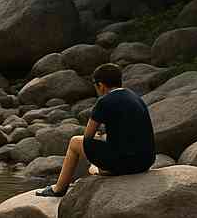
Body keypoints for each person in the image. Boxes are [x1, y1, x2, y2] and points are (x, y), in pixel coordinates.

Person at [37, 62, 155, 198]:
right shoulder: (135, 97)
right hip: (145, 161)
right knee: (95, 164)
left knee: (75, 142)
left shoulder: (104, 101)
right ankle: (99, 169)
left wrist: (99, 138)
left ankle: (58, 189)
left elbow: (87, 137)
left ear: (101, 85)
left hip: (125, 163)